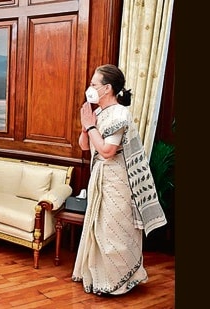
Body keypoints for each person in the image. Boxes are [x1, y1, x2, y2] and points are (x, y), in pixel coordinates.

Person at [72, 64, 167, 295]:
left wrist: (91, 125)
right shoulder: (99, 113)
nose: (90, 88)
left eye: (94, 84)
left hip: (117, 181)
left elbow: (107, 151)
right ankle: (98, 277)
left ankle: (118, 282)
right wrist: (86, 128)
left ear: (107, 88)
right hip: (99, 177)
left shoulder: (120, 114)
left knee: (115, 230)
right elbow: (84, 146)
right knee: (98, 228)